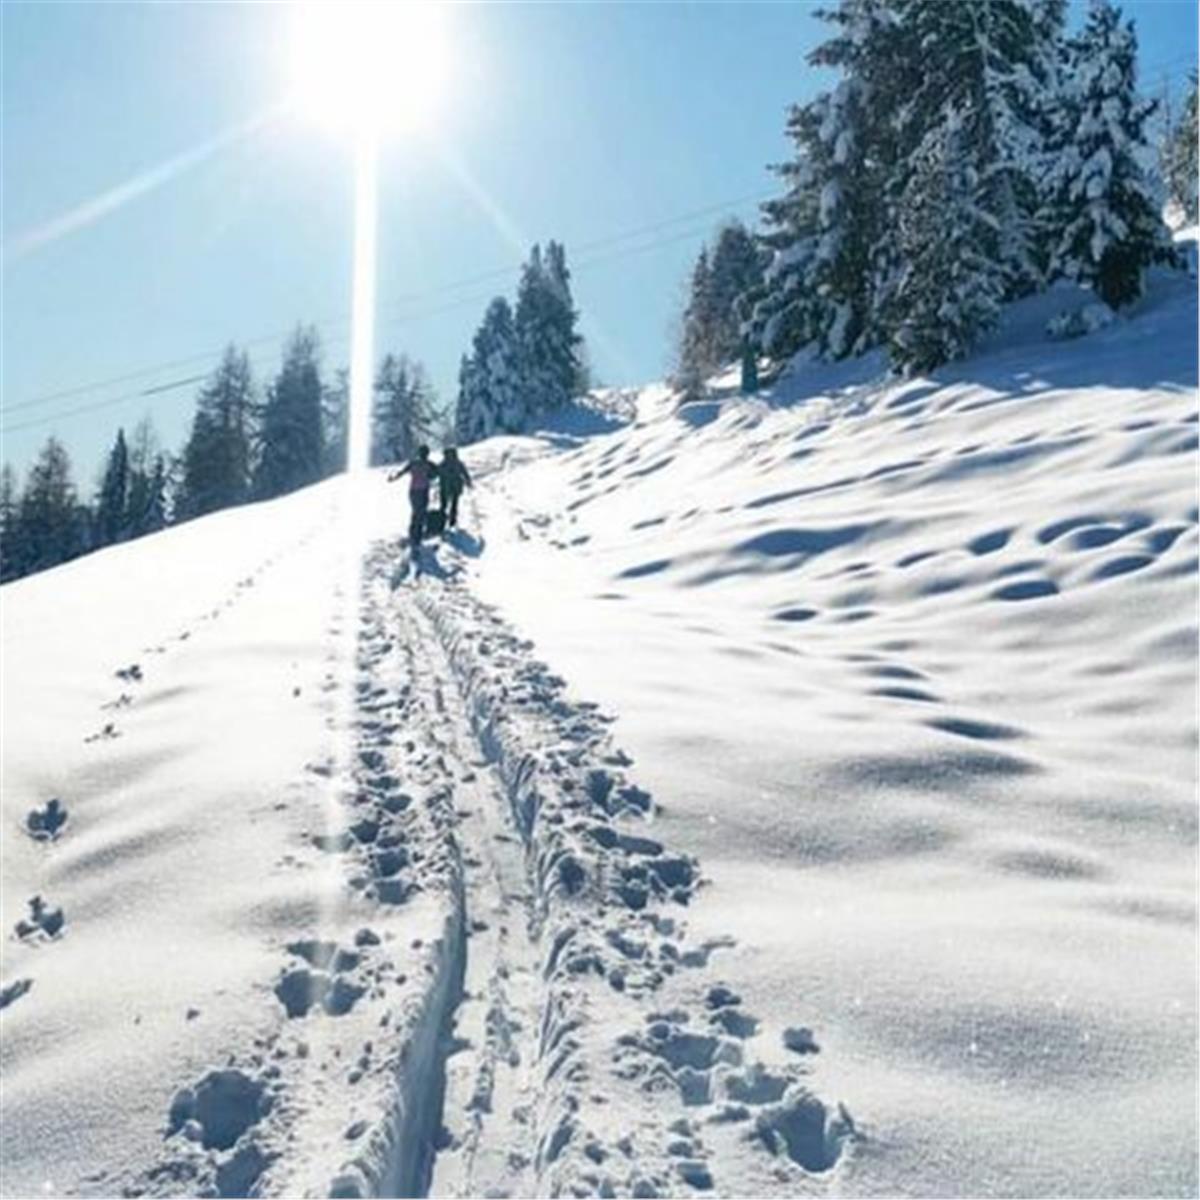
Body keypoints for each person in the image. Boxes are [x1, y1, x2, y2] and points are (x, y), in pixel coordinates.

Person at [388, 445, 437, 545]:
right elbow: (436, 474)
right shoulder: (429, 464)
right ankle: (417, 535)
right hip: (423, 491)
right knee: (421, 512)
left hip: (413, 491)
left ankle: (413, 533)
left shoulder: (413, 463)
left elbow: (402, 472)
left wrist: (393, 478)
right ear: (427, 454)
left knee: (416, 511)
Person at [438, 447, 472, 530]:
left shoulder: (445, 464)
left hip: (450, 487)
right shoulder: (455, 463)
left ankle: (448, 522)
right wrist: (468, 481)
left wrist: (468, 481)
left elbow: (464, 473)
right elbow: (464, 473)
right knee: (447, 505)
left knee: (450, 505)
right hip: (449, 487)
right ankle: (446, 522)